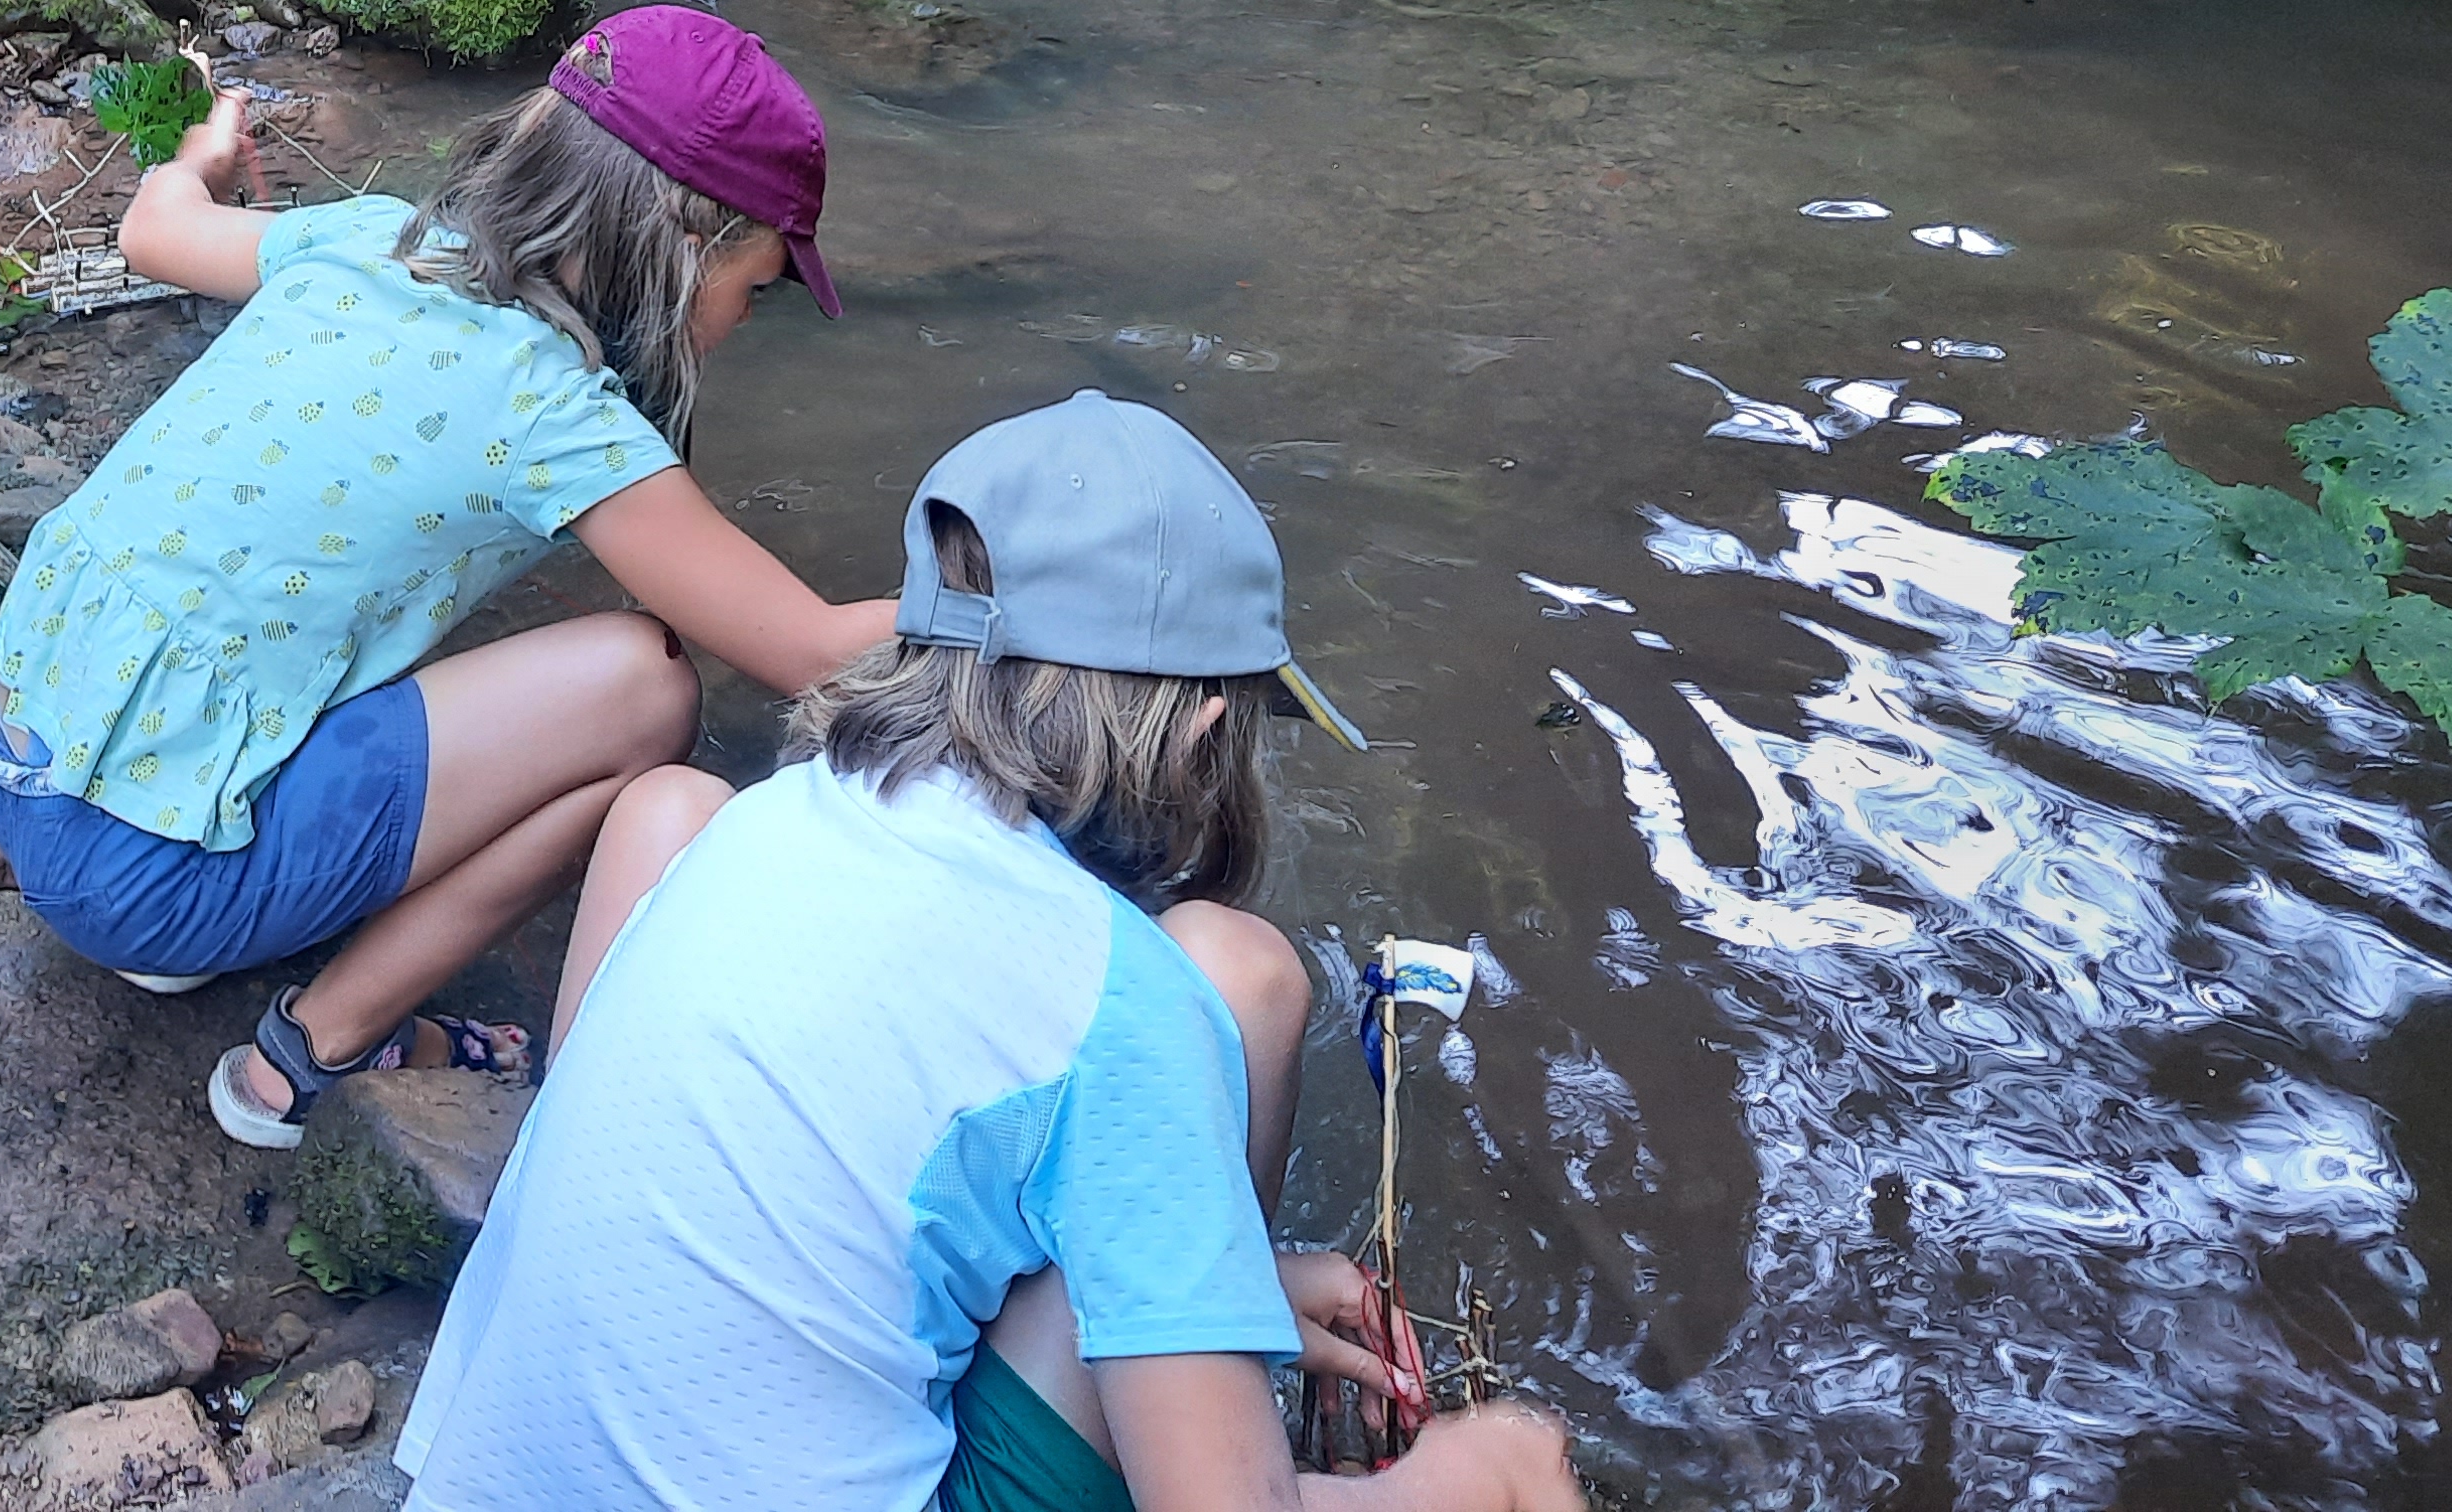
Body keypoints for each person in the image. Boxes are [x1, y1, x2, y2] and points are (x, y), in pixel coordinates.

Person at [394, 391, 1587, 1512]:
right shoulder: (1119, 998)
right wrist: (1481, 1474)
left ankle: (1190, 1328)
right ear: (1203, 728)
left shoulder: (770, 820)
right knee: (1496, 1462)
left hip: (480, 1477)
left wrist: (1233, 1286)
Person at [0, 6, 891, 1150]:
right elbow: (814, 649)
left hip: (14, 749)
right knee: (645, 686)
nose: (745, 321)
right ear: (688, 242)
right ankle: (306, 1055)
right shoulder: (556, 414)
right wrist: (1080, 602)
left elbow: (157, 235)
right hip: (136, 873)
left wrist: (197, 157)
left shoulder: (366, 238)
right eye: (754, 287)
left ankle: (176, 906)